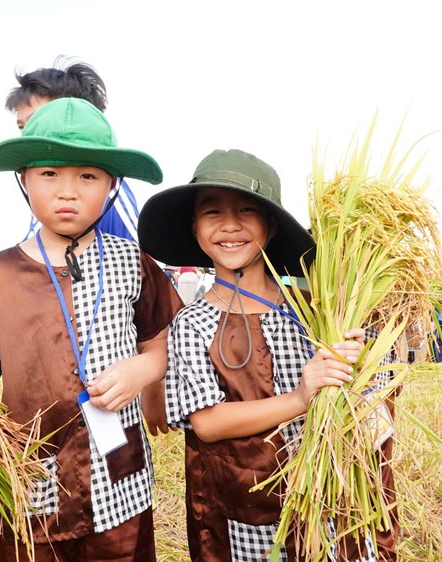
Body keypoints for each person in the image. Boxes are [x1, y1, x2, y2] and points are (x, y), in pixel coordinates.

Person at [0, 98, 182, 561]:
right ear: (24, 180)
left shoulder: (132, 262)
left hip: (119, 483)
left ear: (111, 184)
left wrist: (140, 371)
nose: (68, 191)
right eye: (49, 174)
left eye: (88, 176)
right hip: (31, 482)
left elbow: (161, 344)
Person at [138, 149, 396, 561]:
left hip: (330, 499)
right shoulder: (192, 324)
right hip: (244, 509)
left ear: (270, 225)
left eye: (246, 210)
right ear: (194, 227)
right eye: (212, 212)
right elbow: (207, 422)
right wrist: (299, 399)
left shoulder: (320, 310)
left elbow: (373, 392)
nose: (229, 225)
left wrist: (359, 362)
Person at [7, 58, 142, 243]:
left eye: (41, 120)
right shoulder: (43, 194)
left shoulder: (110, 196)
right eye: (23, 128)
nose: (31, 134)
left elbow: (140, 261)